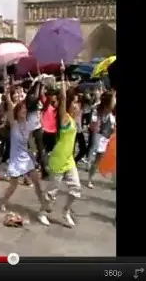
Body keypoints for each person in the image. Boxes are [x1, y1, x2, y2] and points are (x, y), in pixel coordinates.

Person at [0, 80, 48, 226]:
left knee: (37, 183)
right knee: (13, 186)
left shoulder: (28, 124)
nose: (25, 111)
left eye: (26, 110)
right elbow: (9, 105)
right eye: (22, 110)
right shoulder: (13, 124)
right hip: (15, 159)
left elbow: (31, 142)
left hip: (26, 157)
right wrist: (7, 91)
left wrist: (35, 155)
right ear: (18, 112)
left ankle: (44, 205)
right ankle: (3, 202)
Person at [41, 64, 82, 227]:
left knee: (76, 188)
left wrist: (75, 84)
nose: (77, 105)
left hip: (69, 159)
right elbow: (64, 98)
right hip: (58, 159)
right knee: (52, 191)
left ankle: (65, 212)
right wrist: (63, 74)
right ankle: (42, 212)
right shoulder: (64, 118)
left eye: (78, 103)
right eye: (75, 103)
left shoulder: (73, 119)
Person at [87, 91, 116, 188]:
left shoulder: (110, 111)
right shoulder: (101, 110)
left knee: (98, 160)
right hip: (100, 137)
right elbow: (94, 123)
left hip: (106, 137)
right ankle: (89, 178)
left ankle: (90, 177)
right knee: (96, 159)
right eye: (113, 99)